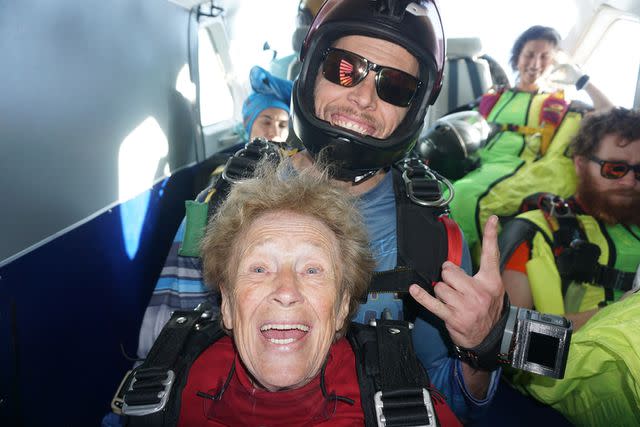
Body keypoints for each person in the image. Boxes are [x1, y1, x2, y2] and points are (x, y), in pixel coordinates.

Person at [136, 0, 508, 422]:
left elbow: (442, 400)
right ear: (311, 73)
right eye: (345, 69)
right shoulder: (216, 206)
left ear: (415, 109)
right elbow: (157, 368)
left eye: (397, 87)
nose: (364, 97)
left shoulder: (435, 236)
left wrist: (481, 350)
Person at [160, 159, 460, 426]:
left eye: (312, 270)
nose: (286, 292)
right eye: (260, 269)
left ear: (343, 304)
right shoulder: (165, 394)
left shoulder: (408, 406)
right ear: (226, 302)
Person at [498, 107, 640, 426]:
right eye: (616, 169)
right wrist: (614, 317)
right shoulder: (534, 231)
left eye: (639, 171)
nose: (630, 180)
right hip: (560, 392)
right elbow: (504, 340)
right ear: (580, 164)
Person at [447, 25, 614, 252]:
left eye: (544, 57)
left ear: (554, 63)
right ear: (517, 59)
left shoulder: (561, 105)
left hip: (519, 169)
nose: (535, 64)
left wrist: (582, 80)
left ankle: (460, 268)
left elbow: (611, 114)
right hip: (478, 165)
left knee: (464, 198)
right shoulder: (493, 98)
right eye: (529, 55)